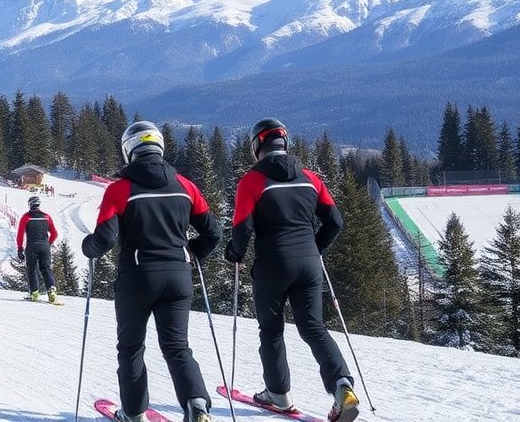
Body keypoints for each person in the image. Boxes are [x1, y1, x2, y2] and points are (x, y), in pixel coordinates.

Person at [82, 121, 222, 422]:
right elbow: (213, 233)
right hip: (178, 275)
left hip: (137, 276)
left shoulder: (119, 190)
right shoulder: (186, 185)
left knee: (131, 347)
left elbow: (104, 239)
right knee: (177, 346)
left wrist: (88, 248)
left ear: (129, 150)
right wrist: (189, 253)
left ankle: (133, 413)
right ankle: (197, 404)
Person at [224, 119, 358, 422]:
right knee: (313, 327)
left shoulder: (252, 181)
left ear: (257, 146)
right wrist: (316, 248)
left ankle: (278, 394)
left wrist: (234, 254)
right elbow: (335, 222)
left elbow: (242, 228)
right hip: (309, 263)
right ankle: (343, 386)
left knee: (271, 331)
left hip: (272, 264)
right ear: (286, 144)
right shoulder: (310, 178)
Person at [17, 195, 59, 302]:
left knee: (31, 269)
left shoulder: (26, 217)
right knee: (46, 269)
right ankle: (52, 291)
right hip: (45, 247)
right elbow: (54, 233)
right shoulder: (47, 217)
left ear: (30, 204)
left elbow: (20, 235)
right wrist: (48, 244)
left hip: (31, 247)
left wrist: (20, 248)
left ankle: (34, 293)